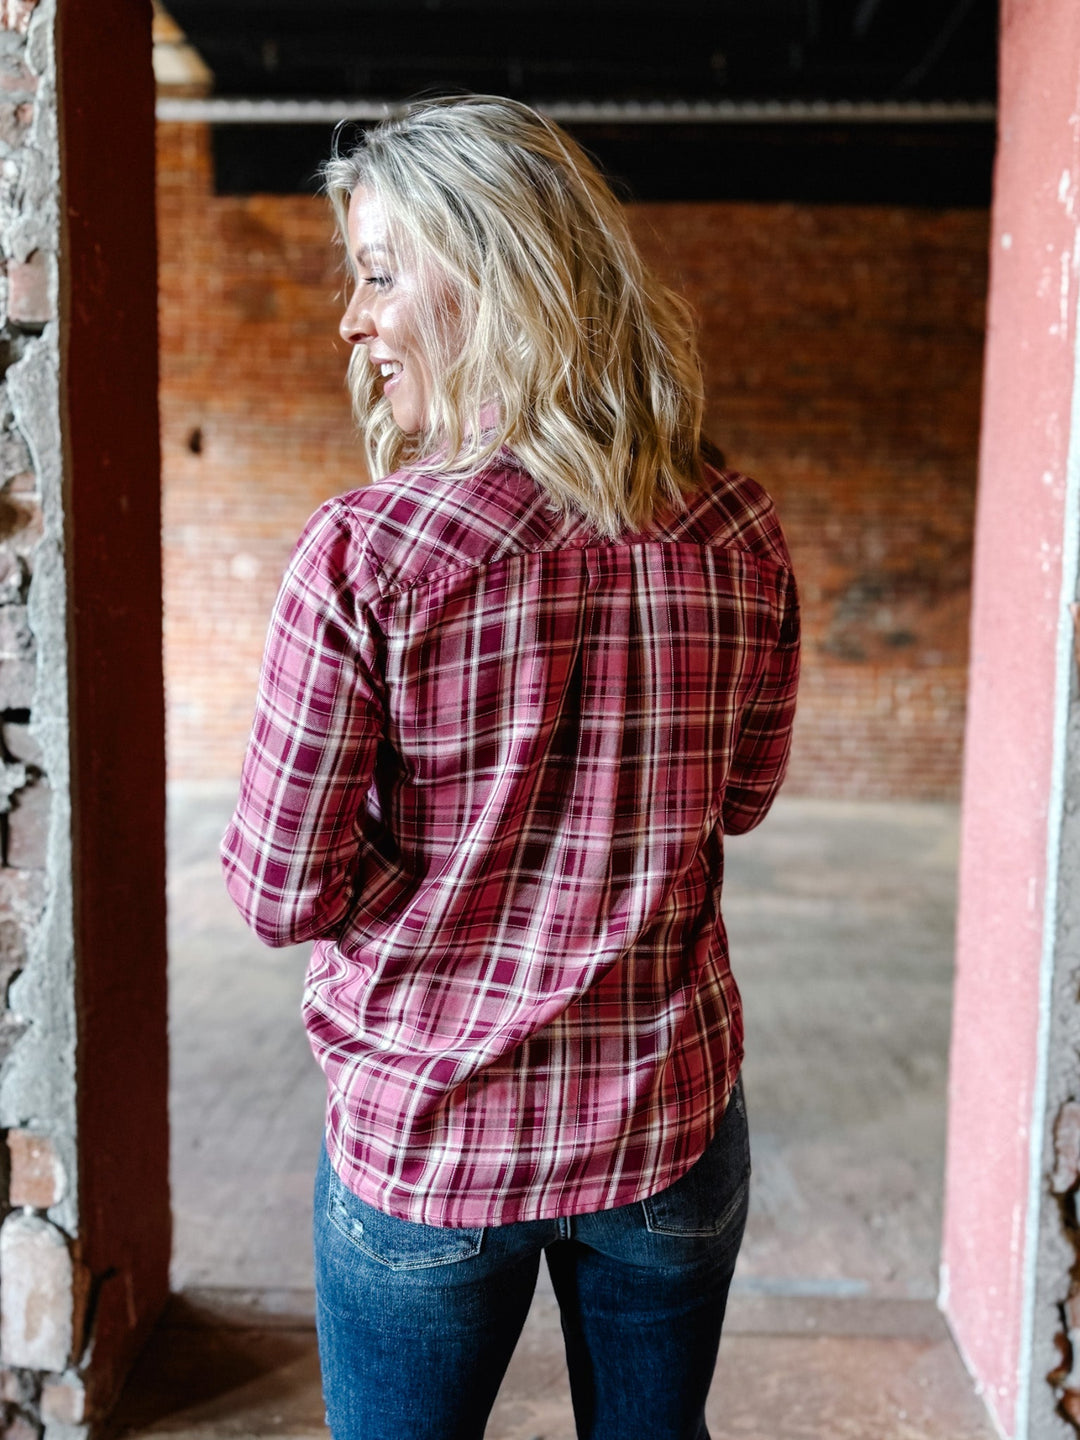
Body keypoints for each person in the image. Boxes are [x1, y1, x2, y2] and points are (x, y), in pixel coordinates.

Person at [221, 94, 800, 1440]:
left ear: (485, 278)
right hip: (665, 1122)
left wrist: (429, 881)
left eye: (375, 274)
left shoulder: (367, 554)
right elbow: (747, 798)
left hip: (430, 1136)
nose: (350, 322)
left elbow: (271, 889)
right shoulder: (736, 527)